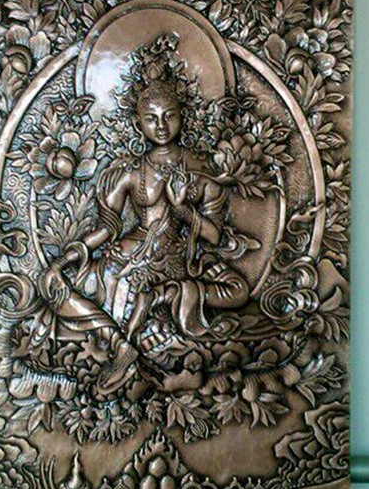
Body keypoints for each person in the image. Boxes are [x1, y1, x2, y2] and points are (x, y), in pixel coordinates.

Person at [39, 54, 250, 394]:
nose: (161, 126)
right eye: (151, 118)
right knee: (53, 284)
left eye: (169, 116)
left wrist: (183, 210)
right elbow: (107, 228)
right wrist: (68, 257)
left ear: (183, 116)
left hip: (172, 263)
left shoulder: (201, 169)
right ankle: (120, 345)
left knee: (235, 293)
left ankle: (131, 336)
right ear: (138, 124)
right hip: (123, 258)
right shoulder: (128, 173)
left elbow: (214, 236)